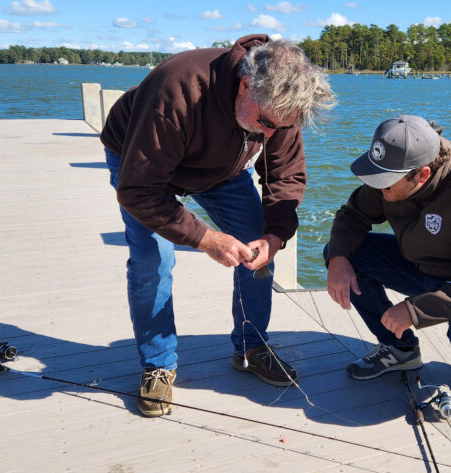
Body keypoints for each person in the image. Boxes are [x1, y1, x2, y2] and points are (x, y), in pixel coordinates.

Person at [101, 35, 336, 417]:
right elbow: (139, 190)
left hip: (220, 167)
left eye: (281, 127)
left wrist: (274, 235)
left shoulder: (277, 108)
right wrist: (205, 238)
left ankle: (251, 346)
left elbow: (285, 174)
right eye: (265, 125)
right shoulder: (177, 88)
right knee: (152, 260)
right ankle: (158, 363)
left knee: (259, 248)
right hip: (142, 160)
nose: (270, 136)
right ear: (245, 85)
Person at [324, 115, 451, 396]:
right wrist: (338, 258)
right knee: (345, 253)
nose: (379, 188)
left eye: (386, 183)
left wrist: (414, 310)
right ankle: (400, 348)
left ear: (422, 174)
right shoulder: (393, 175)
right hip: (425, 264)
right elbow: (353, 215)